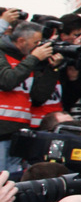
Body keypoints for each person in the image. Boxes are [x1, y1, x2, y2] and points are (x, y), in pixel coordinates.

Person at [0, 21, 61, 175]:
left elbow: (38, 97)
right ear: (21, 41)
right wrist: (33, 58)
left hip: (18, 134)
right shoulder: (4, 55)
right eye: (36, 43)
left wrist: (52, 69)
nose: (38, 47)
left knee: (14, 181)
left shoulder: (27, 59)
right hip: (1, 134)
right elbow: (7, 81)